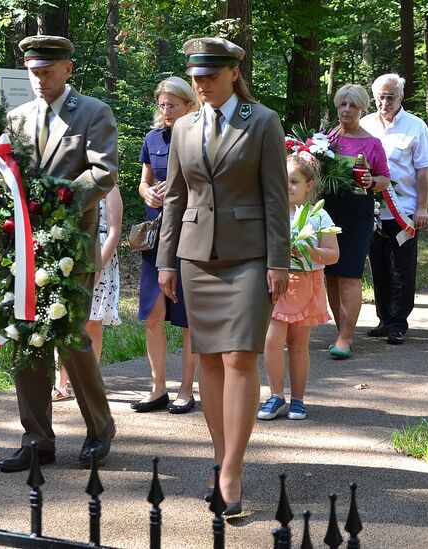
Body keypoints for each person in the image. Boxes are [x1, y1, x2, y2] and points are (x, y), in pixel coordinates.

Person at [156, 37, 289, 515]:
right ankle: (219, 456)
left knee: (239, 357)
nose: (201, 84)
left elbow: (276, 197)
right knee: (209, 358)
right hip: (195, 258)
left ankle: (232, 469)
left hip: (250, 257)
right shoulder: (186, 126)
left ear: (234, 72)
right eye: (195, 77)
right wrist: (165, 261)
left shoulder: (262, 122)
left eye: (210, 76)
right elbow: (174, 198)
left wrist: (279, 261)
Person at [1, 35, 117, 472]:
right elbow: (6, 175)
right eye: (33, 72)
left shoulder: (92, 112)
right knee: (26, 337)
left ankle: (100, 429)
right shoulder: (17, 117)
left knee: (70, 339)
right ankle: (37, 438)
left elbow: (103, 173)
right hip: (22, 248)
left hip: (71, 245)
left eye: (47, 72)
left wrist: (56, 201)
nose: (39, 80)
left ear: (67, 69)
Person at [134, 77, 200, 414]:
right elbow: (143, 182)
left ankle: (186, 391)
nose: (166, 111)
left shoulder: (201, 137)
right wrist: (148, 193)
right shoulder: (152, 138)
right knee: (152, 315)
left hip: (190, 235)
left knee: (189, 319)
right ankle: (157, 387)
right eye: (162, 105)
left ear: (190, 104)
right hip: (155, 238)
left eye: (172, 105)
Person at [258, 152, 339, 420]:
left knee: (298, 345)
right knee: (272, 340)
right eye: (283, 181)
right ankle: (276, 394)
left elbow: (333, 254)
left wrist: (309, 249)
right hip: (277, 285)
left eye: (294, 181)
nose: (287, 187)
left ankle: (298, 399)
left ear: (309, 186)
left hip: (306, 283)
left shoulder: (318, 216)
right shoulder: (271, 212)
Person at [359, 74, 428, 345]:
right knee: (378, 266)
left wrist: (422, 208)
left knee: (402, 269)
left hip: (403, 212)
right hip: (372, 211)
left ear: (401, 98)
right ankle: (383, 319)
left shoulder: (416, 126)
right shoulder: (364, 125)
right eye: (380, 96)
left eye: (390, 97)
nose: (384, 102)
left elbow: (423, 171)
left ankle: (398, 323)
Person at [322, 84, 390, 359]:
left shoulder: (371, 143)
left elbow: (384, 178)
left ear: (362, 109)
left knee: (349, 274)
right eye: (342, 105)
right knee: (331, 273)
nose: (346, 110)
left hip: (357, 210)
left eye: (352, 105)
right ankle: (342, 331)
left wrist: (371, 180)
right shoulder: (326, 138)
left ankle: (346, 337)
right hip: (327, 210)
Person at [53, 186, 123, 401]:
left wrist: (98, 264)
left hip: (100, 253)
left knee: (93, 320)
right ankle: (60, 384)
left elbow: (114, 231)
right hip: (70, 254)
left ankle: (88, 384)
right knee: (64, 318)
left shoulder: (109, 187)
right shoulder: (70, 182)